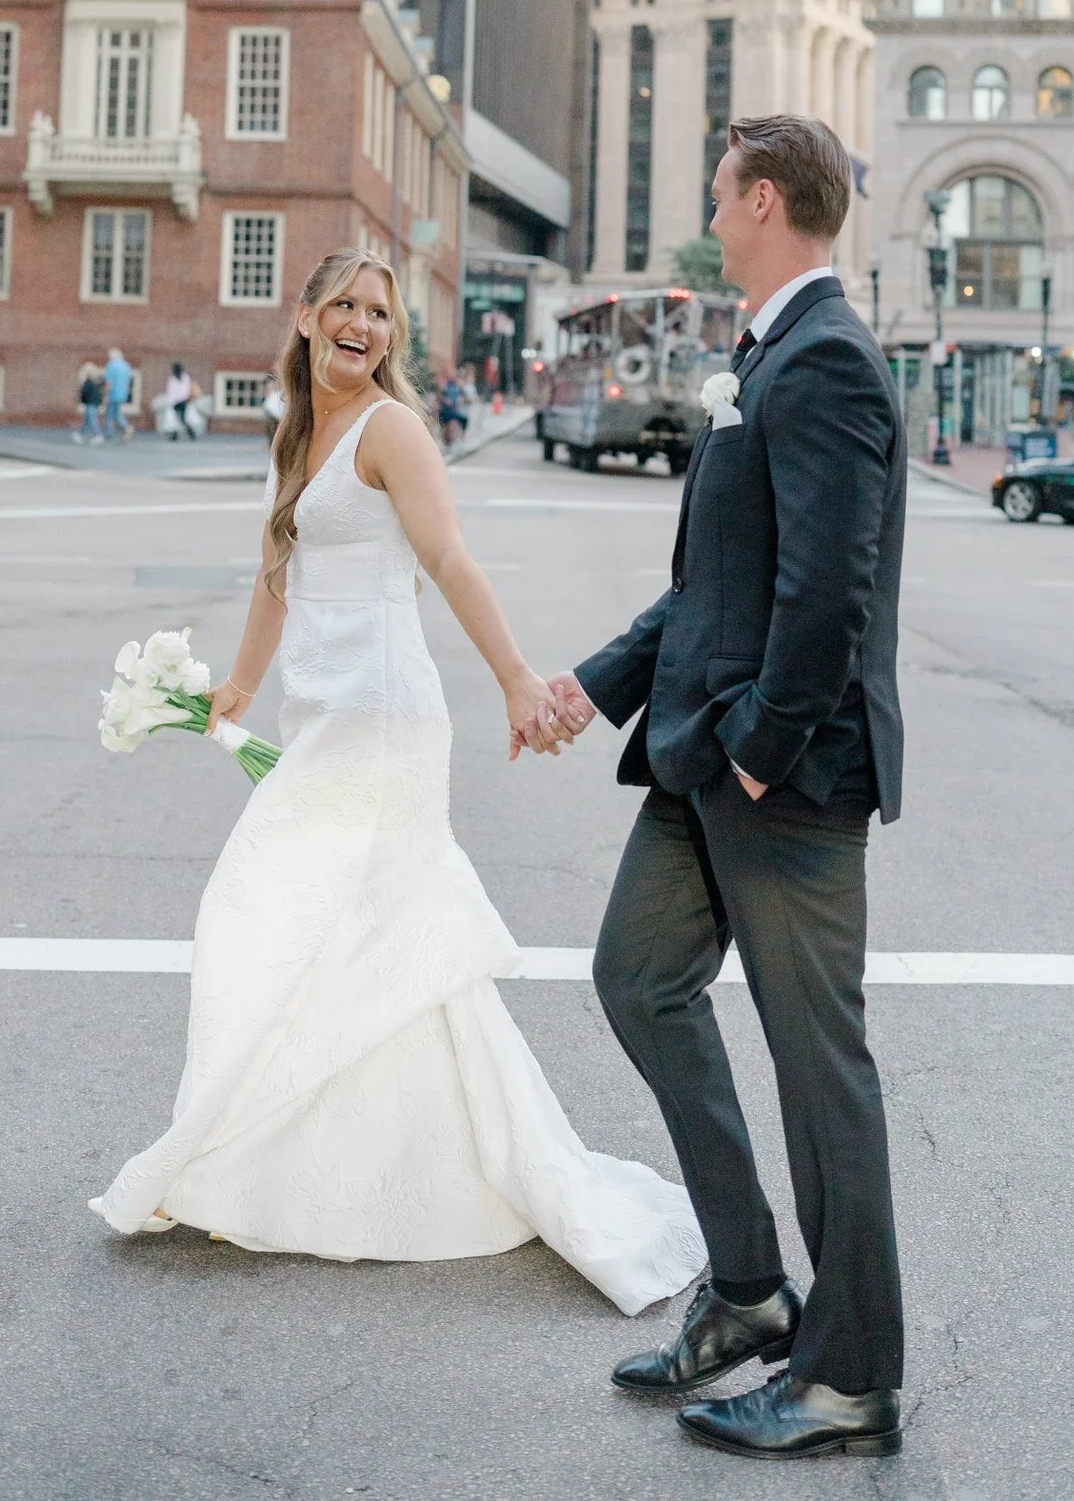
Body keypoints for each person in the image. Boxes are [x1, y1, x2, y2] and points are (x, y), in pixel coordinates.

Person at [88, 247, 704, 1315]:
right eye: (345, 306)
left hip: (381, 729)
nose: (362, 325)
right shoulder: (297, 430)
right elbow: (277, 571)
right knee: (353, 937)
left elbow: (450, 560)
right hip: (320, 714)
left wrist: (516, 678)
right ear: (306, 317)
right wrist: (234, 684)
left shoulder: (390, 429)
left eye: (379, 313)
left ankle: (345, 1158)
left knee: (270, 908)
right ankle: (330, 1165)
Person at [544, 116, 907, 1463]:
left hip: (780, 778)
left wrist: (758, 747)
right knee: (636, 980)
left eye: (718, 200)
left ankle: (847, 1377)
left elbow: (828, 594)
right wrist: (594, 684)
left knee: (822, 1076)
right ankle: (750, 1287)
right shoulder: (769, 355)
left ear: (762, 201)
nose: (710, 221)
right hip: (702, 752)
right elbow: (716, 585)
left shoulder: (825, 365)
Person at [101, 346, 132, 441]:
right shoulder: (126, 365)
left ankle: (117, 430)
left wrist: (105, 394)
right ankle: (124, 428)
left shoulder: (111, 365)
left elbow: (108, 382)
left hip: (113, 393)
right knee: (115, 411)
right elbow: (128, 381)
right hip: (122, 393)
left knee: (110, 413)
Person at [74, 360, 104, 444]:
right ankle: (79, 433)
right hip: (95, 403)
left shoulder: (87, 382)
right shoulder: (97, 381)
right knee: (88, 420)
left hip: (90, 403)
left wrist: (81, 402)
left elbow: (84, 394)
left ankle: (98, 435)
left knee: (92, 420)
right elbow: (100, 394)